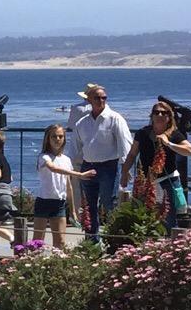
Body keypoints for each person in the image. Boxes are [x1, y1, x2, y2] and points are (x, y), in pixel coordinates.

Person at [65, 82, 132, 242]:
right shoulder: (82, 123)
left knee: (109, 203)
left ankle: (114, 238)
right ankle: (92, 240)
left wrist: (125, 170)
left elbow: (125, 144)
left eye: (104, 98)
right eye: (97, 98)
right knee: (89, 206)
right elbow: (74, 147)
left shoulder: (115, 119)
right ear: (89, 100)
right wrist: (69, 170)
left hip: (109, 166)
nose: (101, 101)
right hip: (88, 167)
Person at [124, 97, 191, 225]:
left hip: (167, 179)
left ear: (170, 117)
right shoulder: (142, 133)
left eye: (164, 113)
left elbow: (190, 150)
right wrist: (125, 172)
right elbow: (132, 154)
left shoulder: (174, 134)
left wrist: (169, 144)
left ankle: (167, 242)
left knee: (168, 217)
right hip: (146, 180)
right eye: (156, 112)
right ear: (151, 116)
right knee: (144, 215)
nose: (160, 115)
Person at [31, 123, 88, 251]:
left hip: (59, 204)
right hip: (43, 202)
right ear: (48, 139)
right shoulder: (43, 157)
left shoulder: (67, 160)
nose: (57, 139)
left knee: (60, 241)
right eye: (54, 137)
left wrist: (73, 210)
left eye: (60, 136)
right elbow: (53, 168)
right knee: (37, 241)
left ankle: (58, 266)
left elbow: (68, 187)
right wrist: (79, 174)